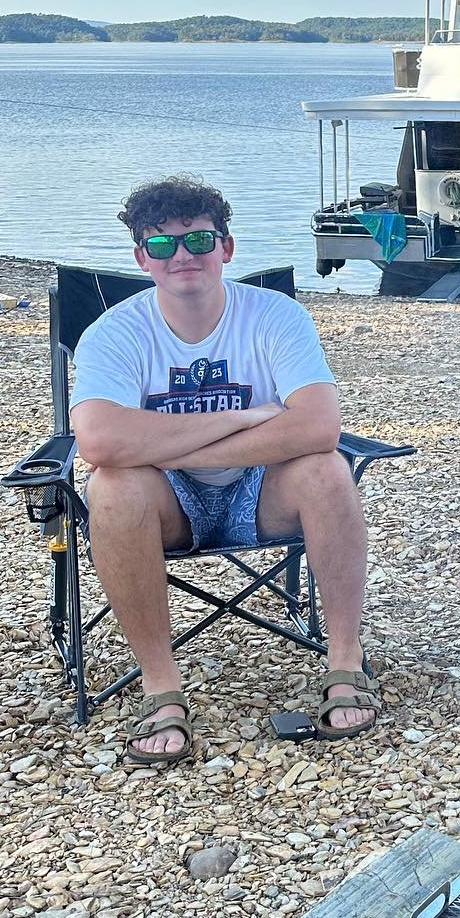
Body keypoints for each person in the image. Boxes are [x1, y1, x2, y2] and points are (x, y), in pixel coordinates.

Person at [70, 176, 379, 766]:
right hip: (166, 502)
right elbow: (101, 441)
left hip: (265, 487)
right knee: (110, 486)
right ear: (142, 258)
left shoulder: (274, 316)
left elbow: (317, 427)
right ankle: (161, 688)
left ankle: (345, 660)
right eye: (162, 246)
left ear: (227, 249)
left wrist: (163, 445)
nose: (182, 256)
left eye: (198, 240)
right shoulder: (113, 333)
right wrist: (244, 417)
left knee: (328, 469)